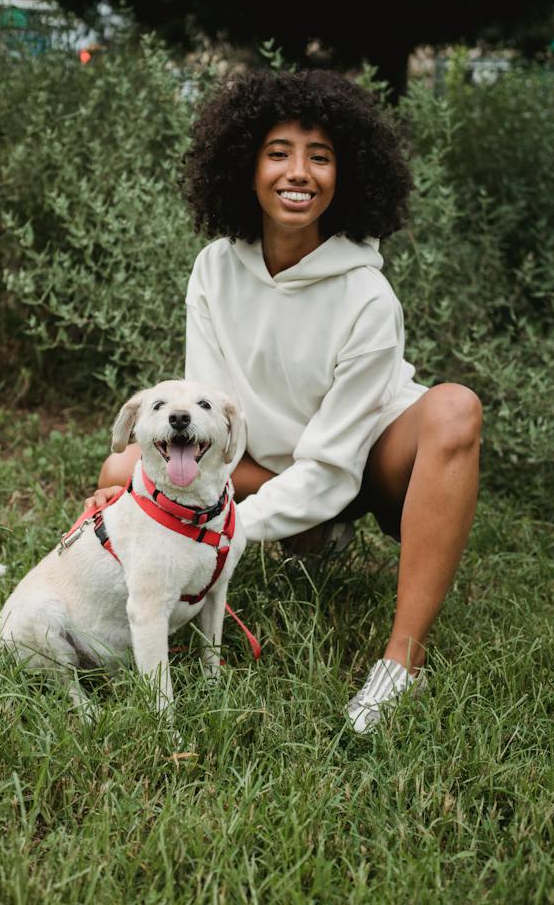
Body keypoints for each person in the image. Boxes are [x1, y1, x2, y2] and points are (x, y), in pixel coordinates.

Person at [88, 70, 482, 734]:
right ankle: (136, 608)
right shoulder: (214, 268)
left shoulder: (366, 295)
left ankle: (401, 663)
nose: (297, 172)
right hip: (265, 469)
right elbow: (205, 423)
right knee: (120, 474)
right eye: (278, 153)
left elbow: (332, 466)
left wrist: (229, 529)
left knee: (455, 408)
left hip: (361, 468)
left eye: (320, 157)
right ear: (245, 166)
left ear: (345, 176)